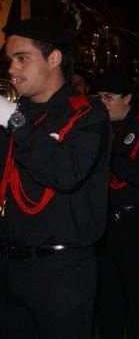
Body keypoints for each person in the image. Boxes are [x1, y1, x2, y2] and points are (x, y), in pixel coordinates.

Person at [0, 18, 111, 339]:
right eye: (9, 60)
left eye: (22, 58)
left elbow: (66, 174)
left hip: (61, 272)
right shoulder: (14, 111)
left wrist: (14, 121)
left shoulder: (86, 113)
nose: (12, 69)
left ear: (54, 58)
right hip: (9, 266)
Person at [94, 71, 139, 339]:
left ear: (129, 99)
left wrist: (108, 154)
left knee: (137, 293)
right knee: (106, 293)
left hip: (137, 220)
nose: (102, 103)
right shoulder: (100, 125)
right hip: (104, 219)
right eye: (99, 97)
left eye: (109, 97)